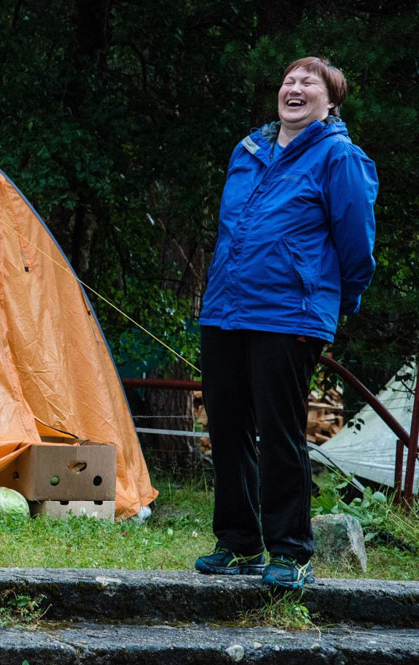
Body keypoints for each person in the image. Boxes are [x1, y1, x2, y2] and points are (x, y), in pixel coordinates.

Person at [195, 57, 378, 589]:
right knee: (227, 429)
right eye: (289, 81)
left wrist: (337, 303)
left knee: (279, 434)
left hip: (289, 315)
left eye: (308, 84)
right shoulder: (247, 151)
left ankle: (293, 551)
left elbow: (356, 243)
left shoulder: (339, 156)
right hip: (225, 309)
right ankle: (237, 543)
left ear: (329, 102)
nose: (294, 88)